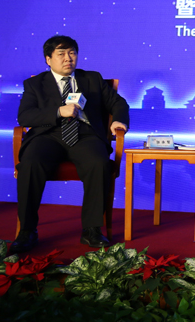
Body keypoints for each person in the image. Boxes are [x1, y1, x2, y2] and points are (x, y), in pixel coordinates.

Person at [13, 35, 129, 253]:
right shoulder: (35, 84)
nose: (68, 58)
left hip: (85, 136)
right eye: (61, 54)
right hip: (47, 136)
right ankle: (27, 231)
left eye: (72, 53)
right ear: (48, 59)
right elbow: (25, 116)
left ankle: (92, 229)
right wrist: (59, 111)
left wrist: (119, 120)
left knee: (99, 163)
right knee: (30, 164)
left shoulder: (92, 79)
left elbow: (118, 103)